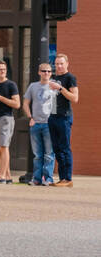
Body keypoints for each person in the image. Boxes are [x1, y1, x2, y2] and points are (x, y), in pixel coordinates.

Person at [48, 53, 80, 187]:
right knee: (56, 149)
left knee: (65, 147)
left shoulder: (70, 78)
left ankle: (68, 178)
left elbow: (75, 98)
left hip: (64, 116)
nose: (59, 66)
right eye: (57, 64)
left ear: (67, 64)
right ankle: (62, 179)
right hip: (52, 116)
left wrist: (60, 88)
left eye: (61, 63)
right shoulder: (53, 77)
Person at [23, 63, 56, 186]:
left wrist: (53, 120)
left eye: (48, 71)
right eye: (43, 71)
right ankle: (36, 179)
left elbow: (56, 106)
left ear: (51, 73)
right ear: (39, 72)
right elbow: (25, 103)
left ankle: (48, 179)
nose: (46, 73)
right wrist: (30, 117)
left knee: (49, 154)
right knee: (37, 155)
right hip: (35, 124)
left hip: (49, 124)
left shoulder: (54, 86)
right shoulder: (33, 86)